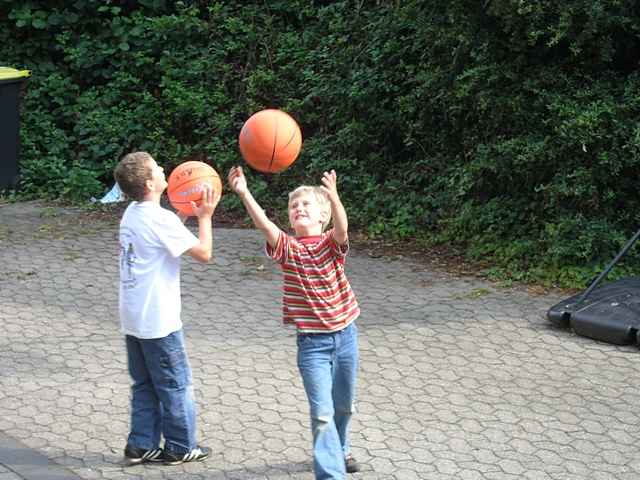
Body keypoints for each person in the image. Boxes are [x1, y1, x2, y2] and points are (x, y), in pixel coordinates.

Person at [228, 165, 362, 479]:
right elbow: (265, 226)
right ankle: (331, 474)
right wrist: (244, 192)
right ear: (290, 219)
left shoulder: (331, 246)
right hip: (312, 345)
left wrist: (334, 197)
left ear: (322, 216)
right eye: (293, 207)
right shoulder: (288, 249)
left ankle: (340, 450)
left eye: (306, 205)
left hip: (346, 337)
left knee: (344, 406)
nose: (298, 208)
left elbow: (342, 229)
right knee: (322, 414)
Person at [114, 151, 219, 466]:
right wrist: (205, 217)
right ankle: (180, 446)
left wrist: (183, 216)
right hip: (159, 321)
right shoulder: (159, 220)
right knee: (175, 385)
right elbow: (203, 253)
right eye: (158, 168)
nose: (164, 169)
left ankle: (141, 444)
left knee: (144, 383)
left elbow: (165, 235)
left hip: (133, 318)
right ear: (150, 183)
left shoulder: (133, 212)